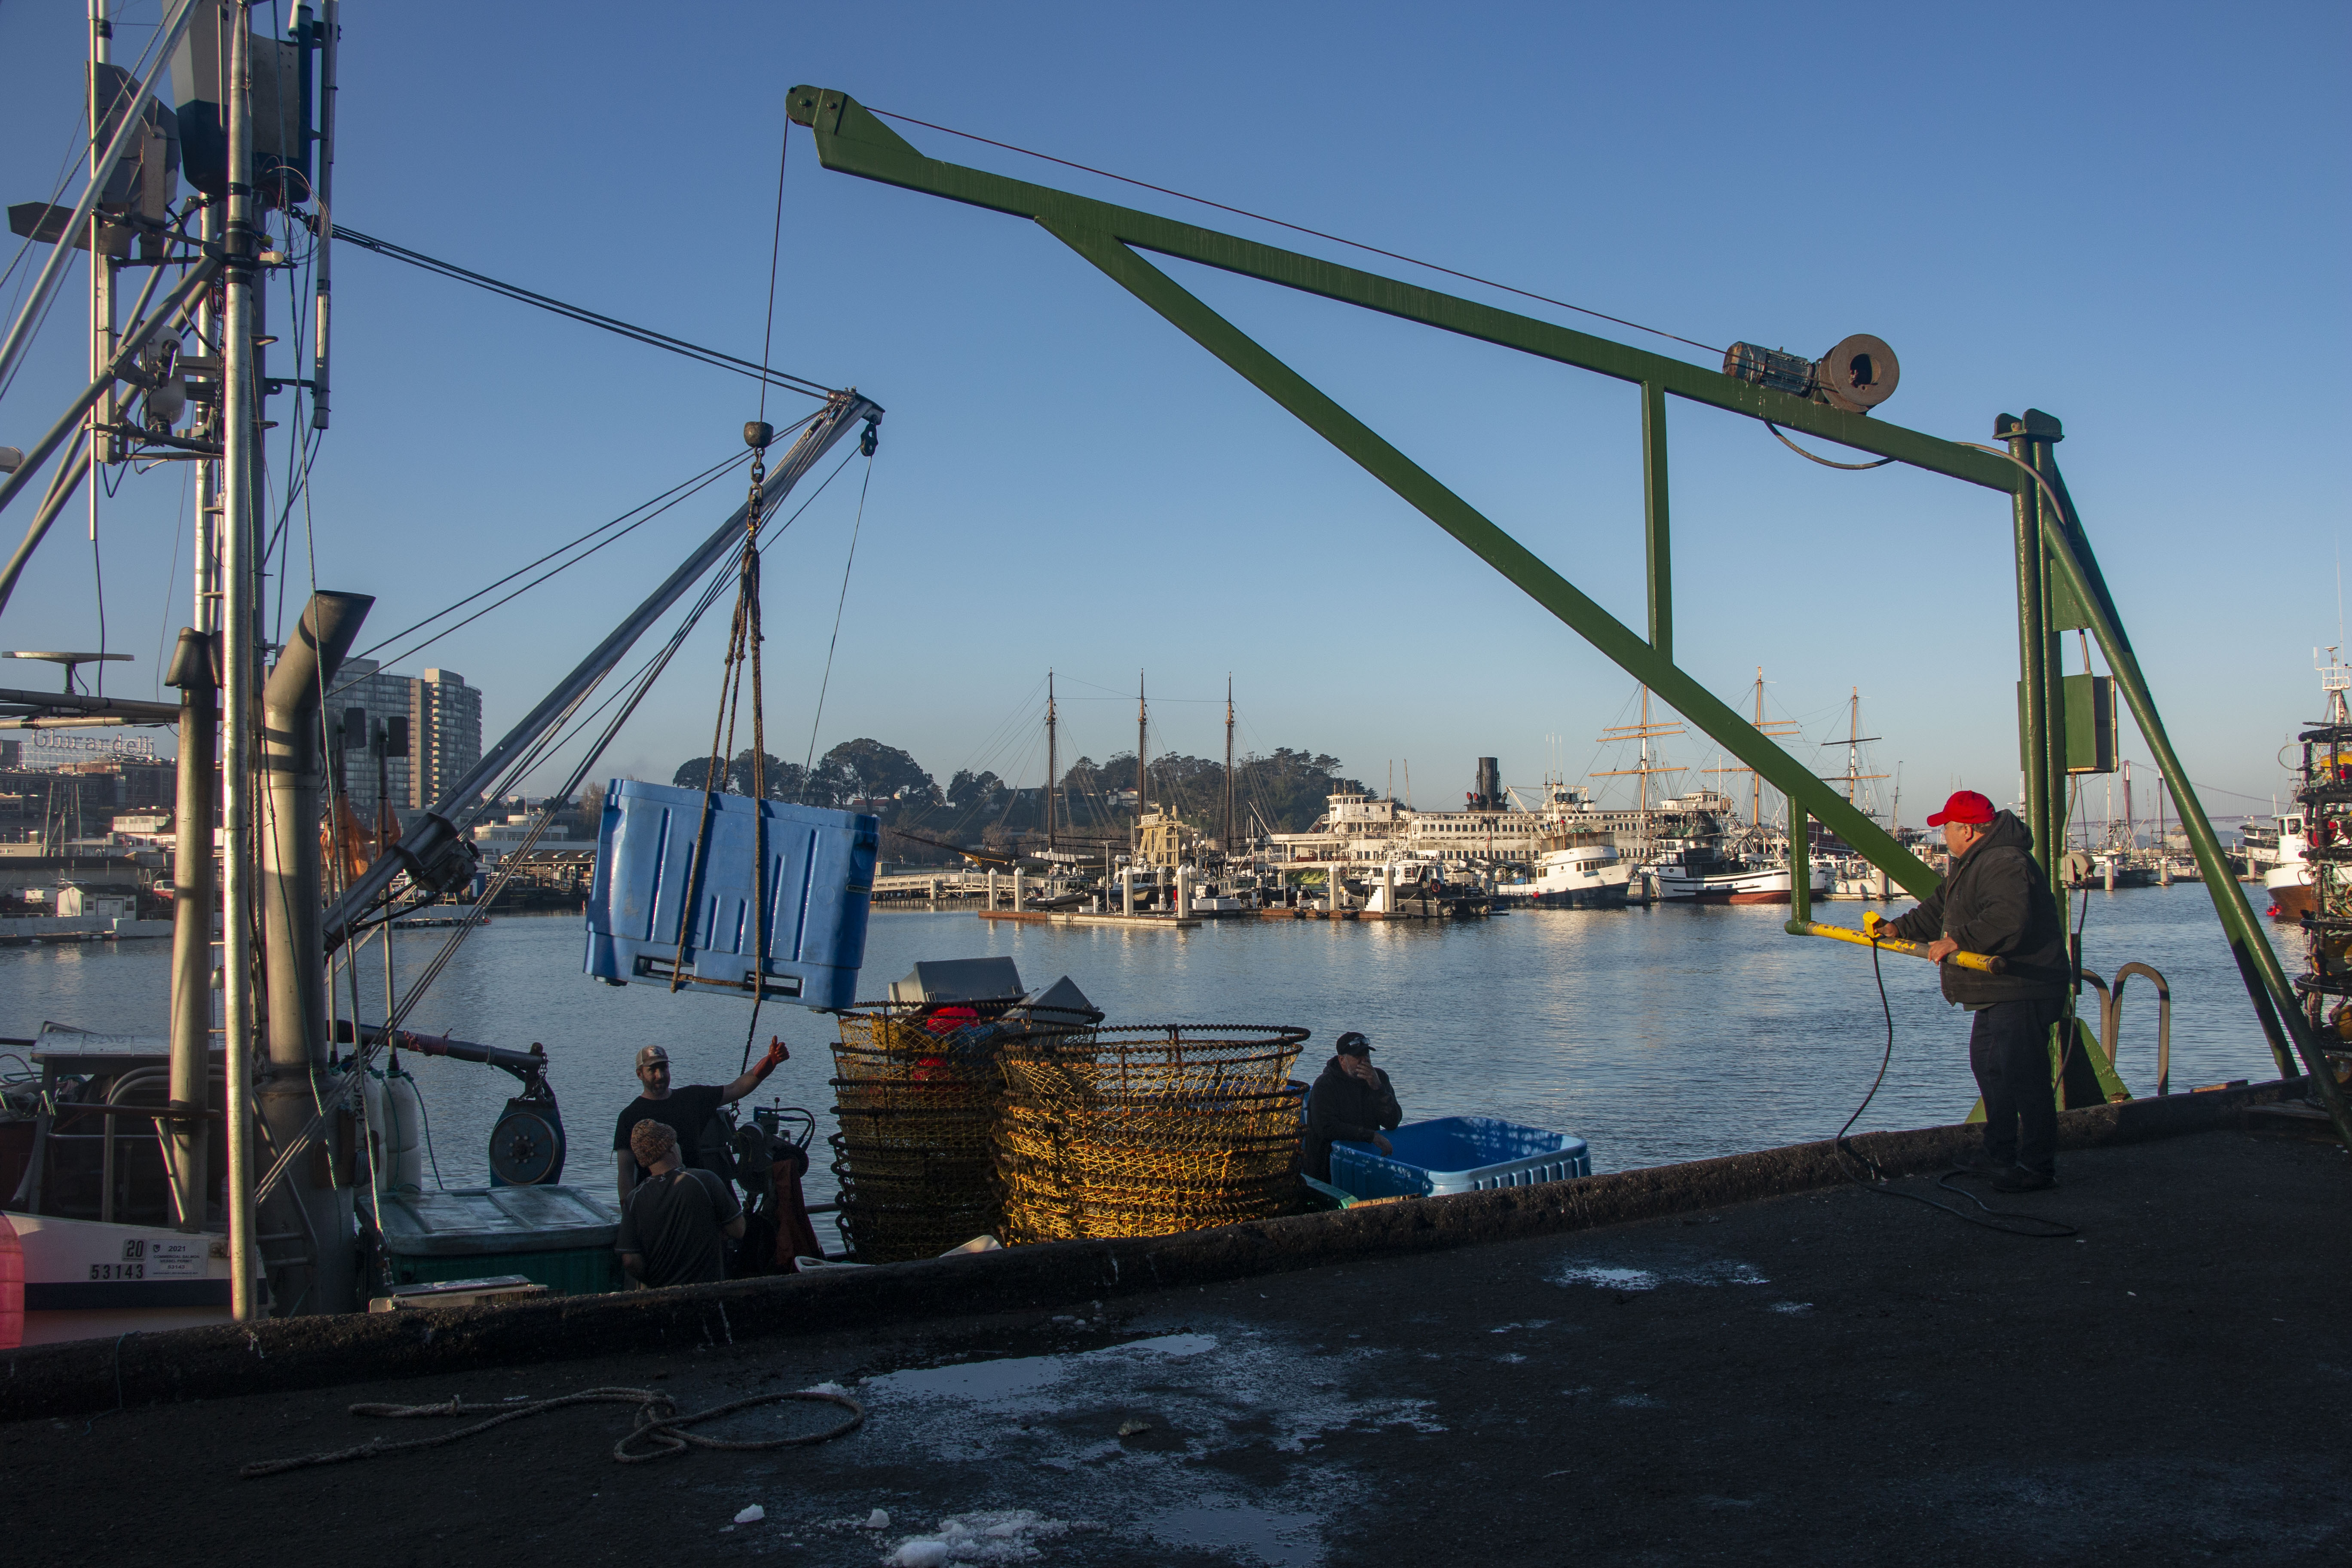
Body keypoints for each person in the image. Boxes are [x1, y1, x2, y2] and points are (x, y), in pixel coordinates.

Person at [1880, 789, 2072, 1192]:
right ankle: (1999, 1153)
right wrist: (1899, 928)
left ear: (1967, 830)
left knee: (2025, 1077)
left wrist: (1957, 941)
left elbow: (2008, 919)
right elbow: (1938, 911)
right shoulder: (1970, 863)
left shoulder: (2004, 861)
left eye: (1946, 827)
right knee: (1990, 1068)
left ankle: (2038, 1167)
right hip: (1997, 987)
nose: (1942, 835)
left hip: (2022, 985)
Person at [614, 1039, 788, 1202]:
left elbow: (736, 1088)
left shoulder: (691, 1098)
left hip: (694, 1196)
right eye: (652, 1070)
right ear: (640, 1074)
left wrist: (770, 1063)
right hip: (655, 1203)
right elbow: (626, 1172)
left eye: (664, 1068)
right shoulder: (629, 1116)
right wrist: (628, 1214)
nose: (660, 1075)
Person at [614, 1120, 744, 1288]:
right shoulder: (704, 1180)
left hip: (660, 1297)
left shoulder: (634, 1199)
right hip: (706, 1294)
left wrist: (653, 1280)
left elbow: (630, 1260)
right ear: (670, 1147)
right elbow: (739, 1229)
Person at [1304, 1031, 1403, 1182]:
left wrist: (1378, 1089)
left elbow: (1393, 1122)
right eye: (1358, 1057)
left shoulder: (1379, 1078)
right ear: (1342, 1060)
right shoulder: (1325, 1085)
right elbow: (1326, 1128)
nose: (1365, 1061)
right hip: (1327, 1165)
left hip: (1366, 1160)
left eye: (1367, 1055)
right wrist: (1371, 1136)